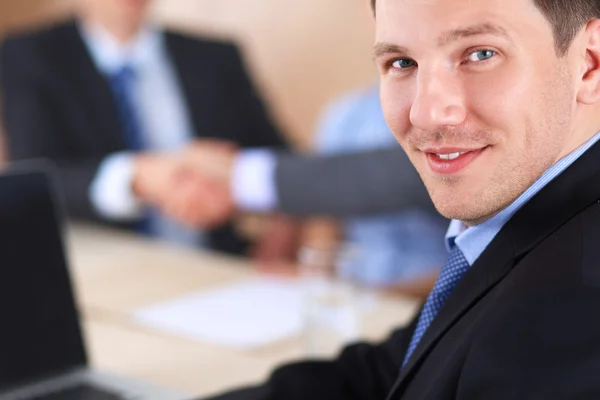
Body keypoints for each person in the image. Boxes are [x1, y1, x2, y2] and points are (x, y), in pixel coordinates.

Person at [197, 0, 600, 398]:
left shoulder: (575, 305)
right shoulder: (517, 235)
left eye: (480, 54)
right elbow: (392, 372)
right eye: (401, 63)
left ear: (590, 62)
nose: (426, 113)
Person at [0, 0, 293, 256]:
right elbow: (35, 178)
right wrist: (136, 176)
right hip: (107, 267)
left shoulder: (217, 58)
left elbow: (282, 159)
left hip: (215, 265)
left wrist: (279, 228)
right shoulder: (30, 57)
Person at [299, 84, 446, 291]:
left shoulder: (451, 117)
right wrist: (324, 282)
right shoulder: (346, 114)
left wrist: (384, 295)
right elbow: (325, 216)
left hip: (437, 293)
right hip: (356, 288)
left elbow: (476, 251)